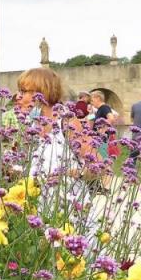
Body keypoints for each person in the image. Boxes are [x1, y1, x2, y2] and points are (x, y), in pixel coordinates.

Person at [15, 68, 101, 240]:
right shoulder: (31, 127)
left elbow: (99, 166)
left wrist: (70, 173)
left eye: (23, 92)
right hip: (39, 215)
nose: (18, 97)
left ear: (41, 93)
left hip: (71, 215)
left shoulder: (67, 123)